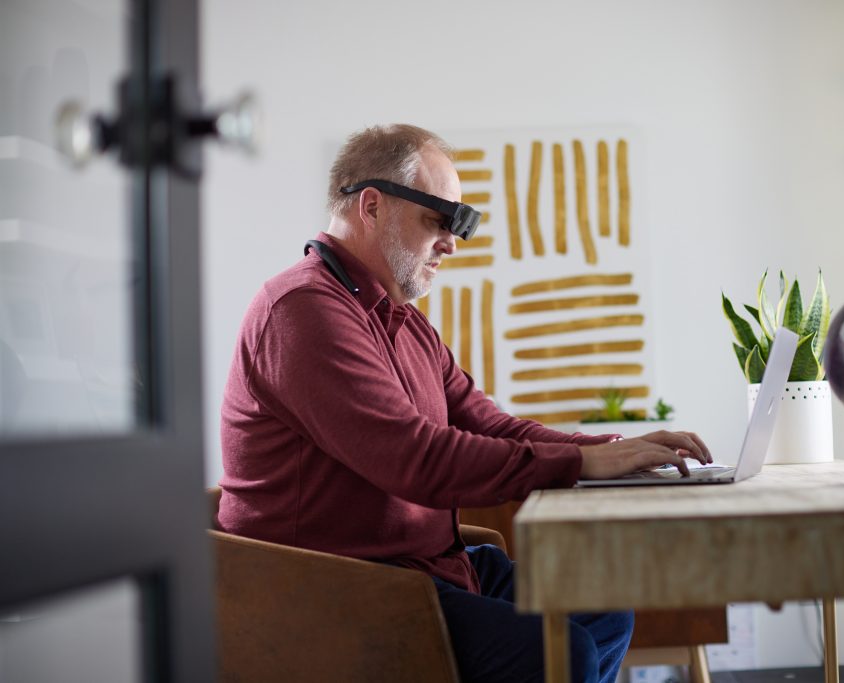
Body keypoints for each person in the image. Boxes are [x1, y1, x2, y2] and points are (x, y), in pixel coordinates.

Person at [219, 123, 712, 683]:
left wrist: (613, 450)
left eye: (460, 224)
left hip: (420, 570)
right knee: (560, 653)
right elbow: (415, 459)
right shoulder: (302, 311)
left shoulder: (402, 322)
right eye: (439, 220)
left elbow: (489, 424)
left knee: (604, 609)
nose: (453, 243)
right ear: (373, 206)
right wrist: (580, 464)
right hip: (338, 589)